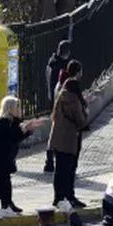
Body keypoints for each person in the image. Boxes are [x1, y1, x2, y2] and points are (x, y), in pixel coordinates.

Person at [49, 60, 89, 210]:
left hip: (59, 138)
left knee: (60, 169)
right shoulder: (73, 99)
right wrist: (86, 112)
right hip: (70, 138)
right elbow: (81, 120)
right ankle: (67, 196)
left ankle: (58, 197)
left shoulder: (61, 95)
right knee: (69, 169)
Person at [44, 40, 72, 172]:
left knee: (54, 131)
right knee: (59, 133)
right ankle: (51, 160)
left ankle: (50, 159)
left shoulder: (51, 62)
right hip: (60, 101)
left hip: (52, 99)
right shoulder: (62, 67)